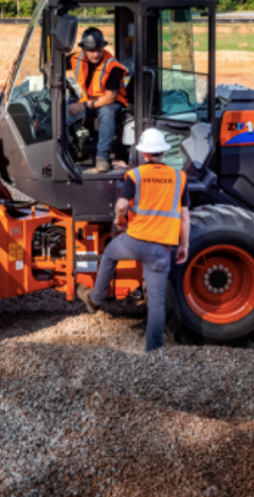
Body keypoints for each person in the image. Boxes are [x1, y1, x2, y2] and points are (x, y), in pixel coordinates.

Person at [76, 128, 190, 352]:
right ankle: (153, 349)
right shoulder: (180, 177)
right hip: (161, 249)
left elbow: (121, 205)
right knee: (156, 303)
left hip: (134, 240)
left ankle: (95, 298)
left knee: (109, 254)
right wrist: (184, 245)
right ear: (163, 153)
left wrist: (119, 220)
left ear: (144, 154)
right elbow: (185, 215)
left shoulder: (135, 175)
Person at [67, 27, 129, 173]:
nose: (95, 54)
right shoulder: (76, 58)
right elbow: (53, 66)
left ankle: (102, 159)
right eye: (91, 50)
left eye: (99, 49)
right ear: (83, 49)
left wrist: (84, 105)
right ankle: (71, 153)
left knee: (106, 113)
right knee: (64, 112)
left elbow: (109, 97)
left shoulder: (112, 66)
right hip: (89, 101)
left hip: (112, 102)